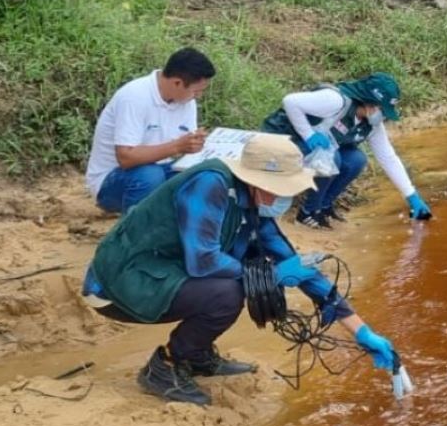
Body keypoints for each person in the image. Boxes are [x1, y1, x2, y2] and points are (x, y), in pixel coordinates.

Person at [82, 133, 404, 405]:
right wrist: (273, 277)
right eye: (281, 189)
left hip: (157, 274)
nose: (286, 198)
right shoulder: (210, 185)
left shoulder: (254, 209)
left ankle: (196, 356)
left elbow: (301, 269)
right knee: (229, 291)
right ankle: (166, 366)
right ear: (257, 180)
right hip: (115, 284)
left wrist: (362, 331)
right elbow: (203, 261)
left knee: (244, 278)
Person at [262, 72, 432, 228]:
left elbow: (388, 157)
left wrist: (411, 196)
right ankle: (308, 212)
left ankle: (324, 206)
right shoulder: (335, 101)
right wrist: (309, 135)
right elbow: (290, 101)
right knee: (332, 159)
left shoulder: (372, 125)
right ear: (370, 103)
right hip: (284, 140)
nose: (384, 116)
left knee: (356, 160)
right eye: (383, 110)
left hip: (318, 151)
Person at [85, 48, 215, 215]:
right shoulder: (134, 97)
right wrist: (177, 146)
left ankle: (181, 232)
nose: (199, 96)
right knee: (149, 175)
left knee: (204, 175)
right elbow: (126, 157)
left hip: (161, 169)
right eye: (196, 91)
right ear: (177, 82)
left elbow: (184, 152)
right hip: (113, 180)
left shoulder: (186, 101)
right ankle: (132, 234)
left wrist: (195, 145)